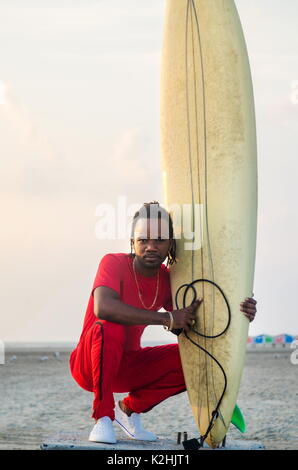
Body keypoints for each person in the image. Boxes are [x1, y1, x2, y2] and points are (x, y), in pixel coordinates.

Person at [69, 201, 257, 444]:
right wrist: (167, 318)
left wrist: (242, 310)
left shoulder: (167, 280)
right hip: (88, 365)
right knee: (109, 325)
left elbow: (194, 322)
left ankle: (129, 409)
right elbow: (103, 308)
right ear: (132, 242)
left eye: (159, 240)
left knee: (195, 358)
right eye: (143, 240)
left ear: (170, 244)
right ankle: (103, 417)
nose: (150, 247)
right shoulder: (113, 263)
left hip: (127, 367)